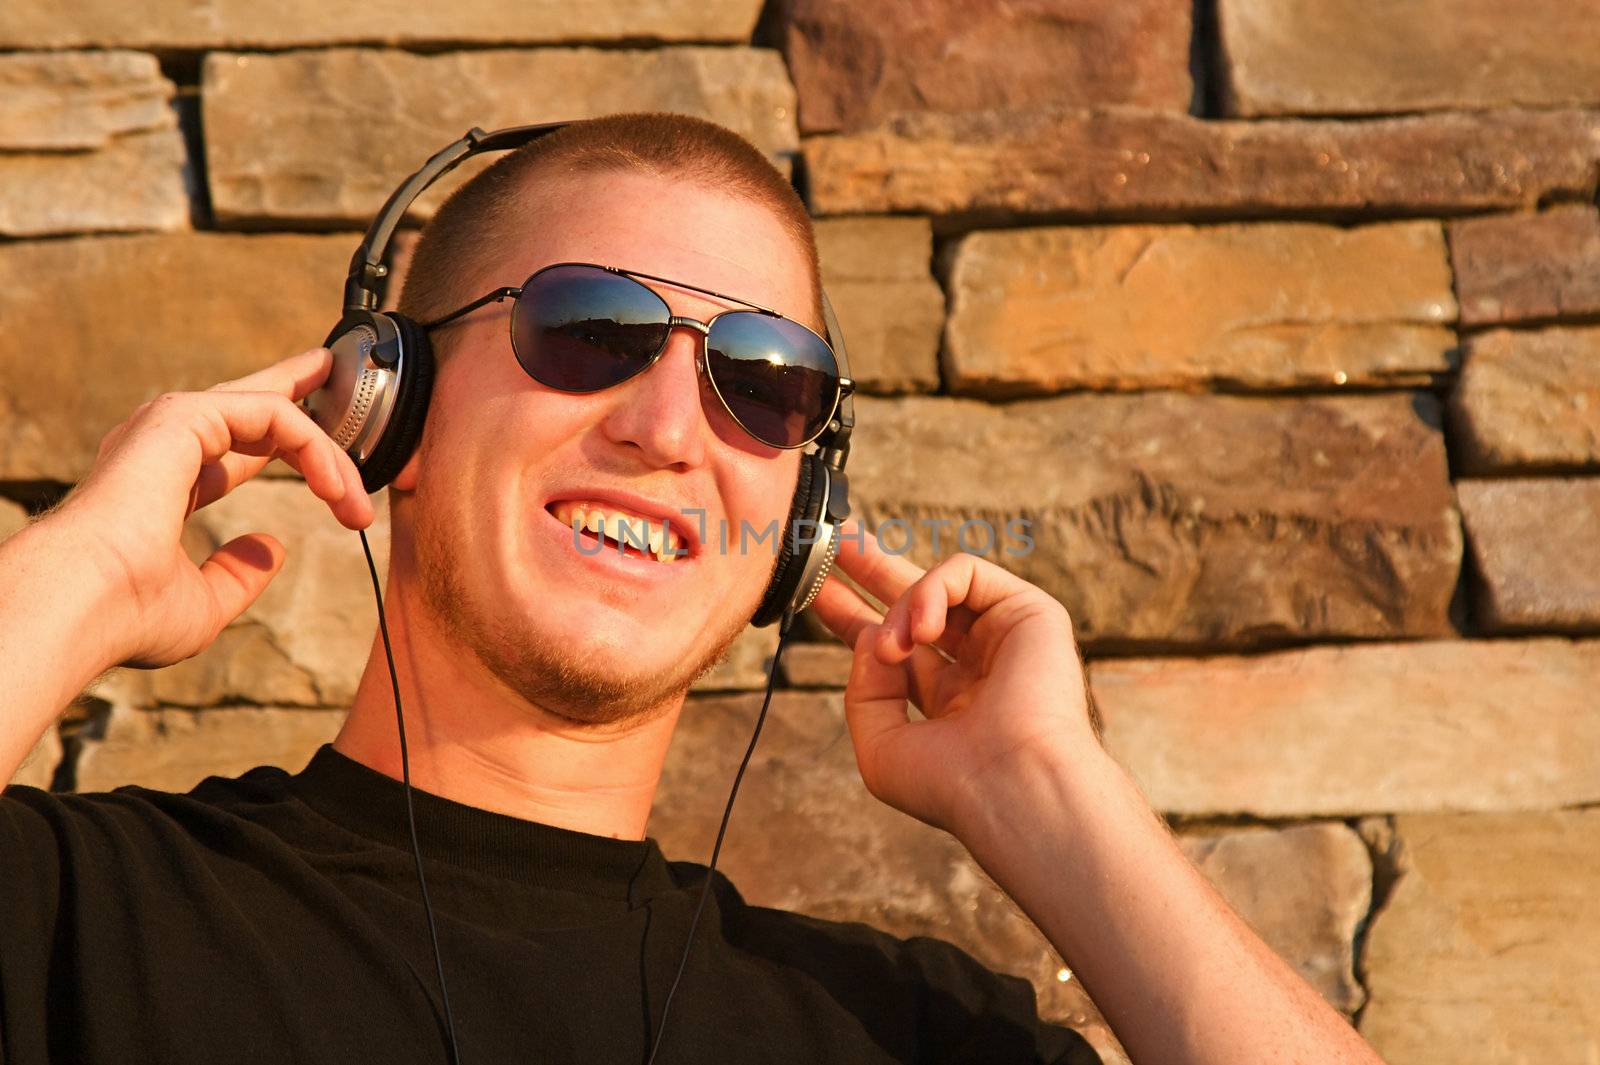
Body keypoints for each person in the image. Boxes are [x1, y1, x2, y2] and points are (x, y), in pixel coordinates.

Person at [0, 112, 1386, 1065]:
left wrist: (1039, 782)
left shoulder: (904, 1033)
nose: (668, 425)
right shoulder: (75, 915)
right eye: (590, 327)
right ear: (387, 407)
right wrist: (74, 573)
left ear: (803, 512)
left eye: (763, 382)